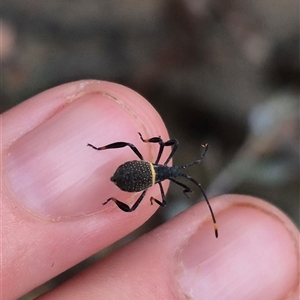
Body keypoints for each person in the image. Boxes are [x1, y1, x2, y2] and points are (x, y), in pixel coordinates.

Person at [1, 80, 298, 299]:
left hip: (142, 174)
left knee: (136, 189)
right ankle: (100, 153)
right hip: (142, 175)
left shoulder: (161, 173)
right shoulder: (159, 177)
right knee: (135, 170)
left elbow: (171, 159)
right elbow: (170, 155)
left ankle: (104, 176)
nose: (180, 173)